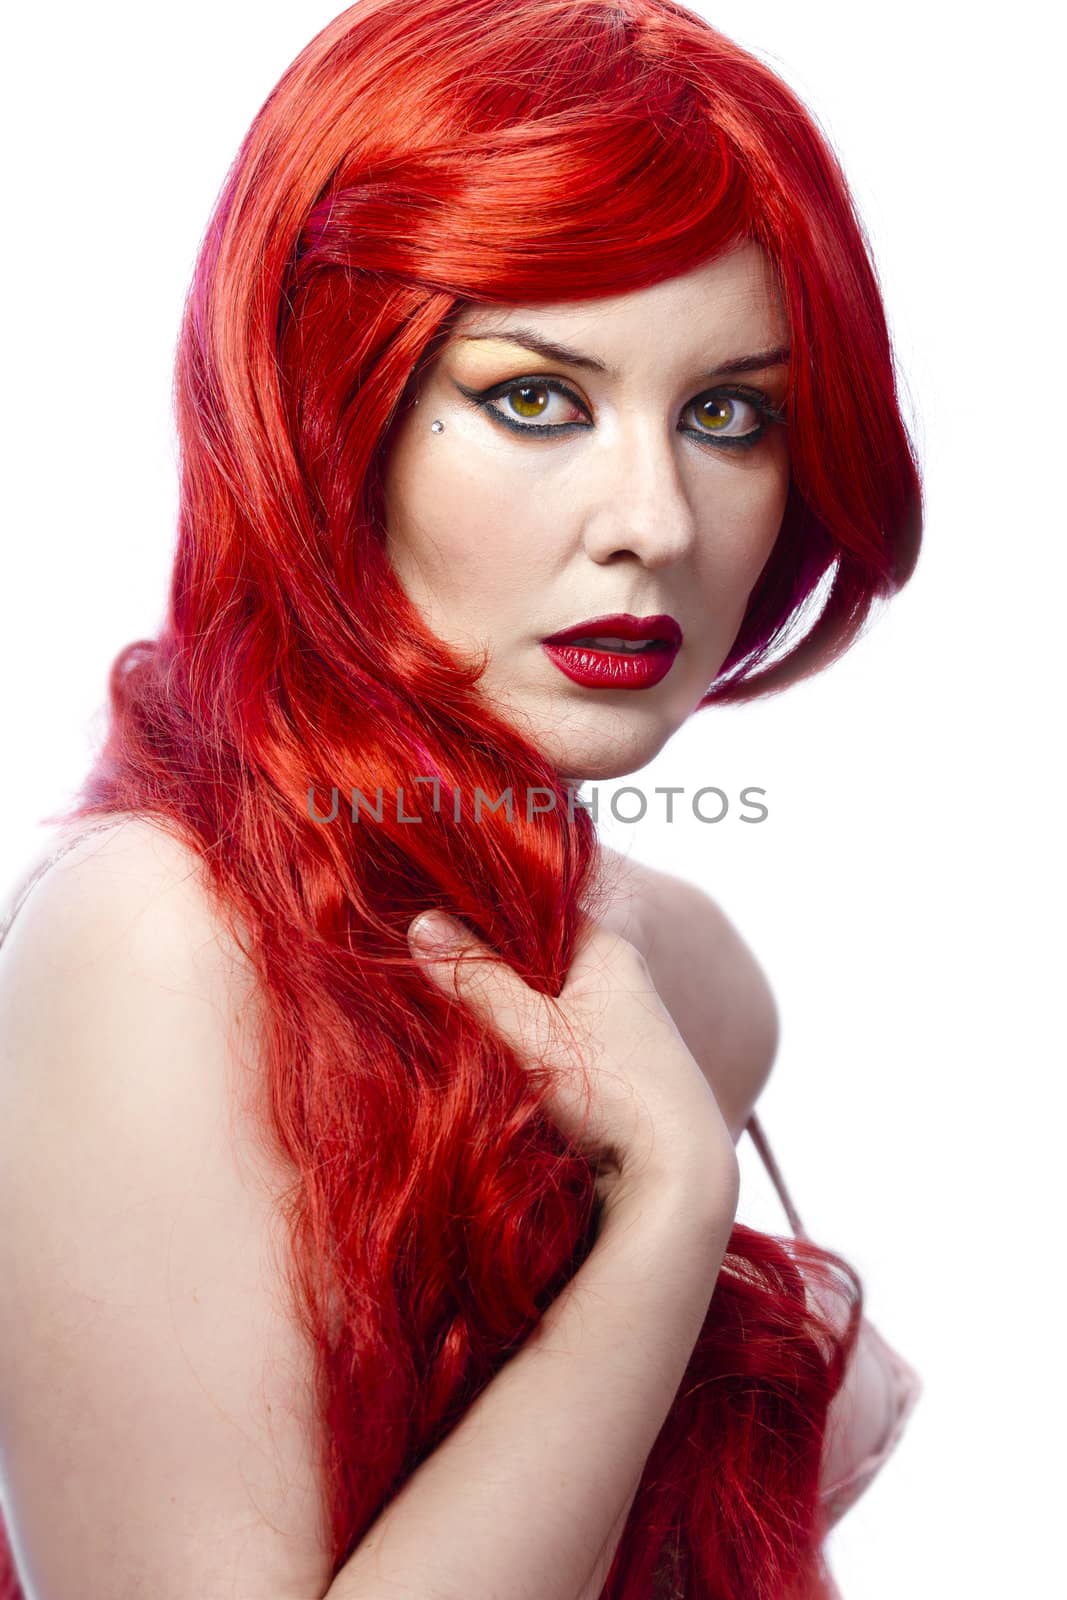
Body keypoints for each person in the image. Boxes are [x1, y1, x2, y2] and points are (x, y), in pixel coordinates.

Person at [0, 1, 924, 1596]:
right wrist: (665, 1227)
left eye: (728, 413)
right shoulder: (158, 948)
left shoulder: (687, 969)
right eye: (535, 398)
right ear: (324, 404)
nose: (654, 519)